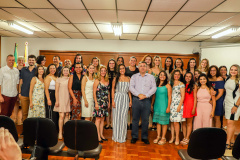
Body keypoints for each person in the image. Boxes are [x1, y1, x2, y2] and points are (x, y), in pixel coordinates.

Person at [129, 61, 157, 144]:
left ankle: (144, 137)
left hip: (147, 100)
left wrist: (146, 95)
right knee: (135, 119)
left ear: (147, 68)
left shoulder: (151, 77)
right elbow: (131, 87)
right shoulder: (134, 77)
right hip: (136, 100)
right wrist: (139, 94)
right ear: (138, 67)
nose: (142, 67)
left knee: (145, 120)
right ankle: (134, 136)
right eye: (141, 66)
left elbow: (154, 88)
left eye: (144, 66)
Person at [112, 64, 132, 143]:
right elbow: (113, 89)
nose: (122, 70)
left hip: (125, 98)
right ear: (118, 70)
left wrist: (130, 100)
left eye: (123, 68)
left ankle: (122, 137)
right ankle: (116, 136)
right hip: (117, 97)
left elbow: (129, 91)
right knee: (116, 117)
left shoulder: (128, 78)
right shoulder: (116, 78)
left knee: (123, 118)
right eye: (120, 69)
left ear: (125, 69)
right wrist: (113, 100)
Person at [152, 71, 171, 145]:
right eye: (161, 75)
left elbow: (170, 97)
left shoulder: (168, 85)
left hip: (164, 105)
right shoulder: (156, 85)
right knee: (158, 122)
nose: (162, 76)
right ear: (159, 76)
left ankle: (163, 137)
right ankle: (158, 136)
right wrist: (152, 104)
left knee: (164, 123)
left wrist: (168, 107)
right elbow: (154, 96)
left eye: (164, 75)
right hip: (157, 105)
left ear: (166, 77)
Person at [93, 66, 110, 143]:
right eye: (101, 71)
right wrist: (96, 103)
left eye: (104, 71)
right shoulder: (97, 80)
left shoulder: (107, 80)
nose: (103, 72)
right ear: (99, 72)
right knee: (98, 119)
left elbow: (108, 92)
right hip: (99, 102)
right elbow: (94, 92)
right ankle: (97, 136)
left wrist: (109, 101)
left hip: (105, 102)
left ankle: (102, 134)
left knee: (103, 119)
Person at [224, 64, 240, 149]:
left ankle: (227, 143)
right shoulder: (228, 78)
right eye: (231, 69)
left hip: (234, 104)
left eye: (235, 70)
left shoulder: (239, 80)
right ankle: (232, 141)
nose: (233, 71)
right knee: (231, 123)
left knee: (230, 123)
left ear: (238, 71)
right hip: (227, 103)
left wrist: (236, 106)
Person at [54, 66, 71, 139]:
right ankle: (60, 132)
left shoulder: (70, 79)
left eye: (67, 70)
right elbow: (56, 91)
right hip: (61, 98)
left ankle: (66, 132)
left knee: (67, 115)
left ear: (69, 71)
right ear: (62, 71)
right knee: (61, 116)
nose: (66, 72)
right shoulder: (59, 79)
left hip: (68, 98)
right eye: (64, 70)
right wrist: (57, 100)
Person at [169, 70, 185, 145]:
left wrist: (179, 106)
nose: (177, 76)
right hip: (171, 104)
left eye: (178, 75)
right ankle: (172, 137)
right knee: (172, 122)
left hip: (178, 104)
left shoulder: (181, 84)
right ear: (173, 75)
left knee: (176, 122)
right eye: (175, 74)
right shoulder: (171, 83)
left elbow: (183, 96)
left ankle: (177, 137)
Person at [19, 55, 36, 122]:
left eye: (33, 60)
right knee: (24, 113)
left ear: (35, 61)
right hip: (24, 94)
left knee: (33, 114)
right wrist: (19, 92)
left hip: (34, 95)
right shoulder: (23, 69)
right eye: (30, 60)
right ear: (28, 61)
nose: (31, 61)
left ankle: (32, 128)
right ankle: (25, 129)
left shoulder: (38, 69)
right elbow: (21, 81)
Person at [181, 72, 197, 145]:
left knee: (189, 123)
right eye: (186, 76)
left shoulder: (194, 86)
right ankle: (184, 137)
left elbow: (195, 97)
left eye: (189, 76)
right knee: (183, 122)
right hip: (183, 105)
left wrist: (194, 108)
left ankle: (188, 137)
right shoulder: (182, 85)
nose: (188, 78)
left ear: (192, 78)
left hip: (190, 105)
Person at [44, 64, 59, 129]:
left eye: (54, 68)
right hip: (50, 95)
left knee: (55, 114)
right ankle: (50, 129)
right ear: (49, 70)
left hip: (56, 96)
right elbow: (46, 89)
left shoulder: (57, 77)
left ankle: (55, 129)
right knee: (50, 113)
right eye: (51, 68)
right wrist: (48, 99)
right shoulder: (48, 77)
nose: (53, 70)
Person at [11, 56, 24, 125]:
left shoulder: (25, 69)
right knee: (16, 103)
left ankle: (21, 119)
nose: (21, 62)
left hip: (23, 88)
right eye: (19, 60)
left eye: (22, 60)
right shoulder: (14, 69)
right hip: (15, 87)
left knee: (22, 104)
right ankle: (15, 118)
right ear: (17, 61)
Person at [105, 59, 117, 129]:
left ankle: (112, 123)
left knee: (113, 108)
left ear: (115, 64)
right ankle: (107, 123)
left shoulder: (117, 72)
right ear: (108, 64)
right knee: (107, 108)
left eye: (113, 63)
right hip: (107, 91)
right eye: (110, 63)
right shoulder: (106, 72)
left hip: (114, 92)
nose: (111, 64)